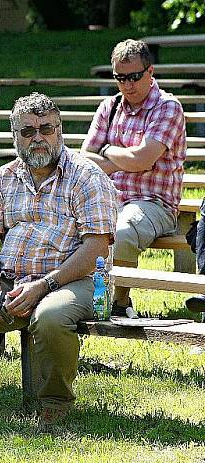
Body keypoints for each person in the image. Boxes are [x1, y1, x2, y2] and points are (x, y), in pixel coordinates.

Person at [0, 93, 117, 426]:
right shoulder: (4, 178)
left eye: (46, 129)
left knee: (51, 315)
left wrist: (45, 285)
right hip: (9, 280)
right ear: (15, 137)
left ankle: (54, 404)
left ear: (60, 131)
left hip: (75, 280)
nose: (38, 137)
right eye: (28, 131)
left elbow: (97, 247)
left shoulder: (87, 175)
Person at [80, 39, 186, 317]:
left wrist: (107, 152)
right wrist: (126, 161)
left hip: (155, 203)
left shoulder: (168, 107)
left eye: (135, 77)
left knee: (123, 231)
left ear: (150, 72)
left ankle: (119, 301)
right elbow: (84, 158)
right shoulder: (109, 106)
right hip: (109, 198)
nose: (128, 85)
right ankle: (77, 298)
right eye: (120, 78)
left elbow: (144, 159)